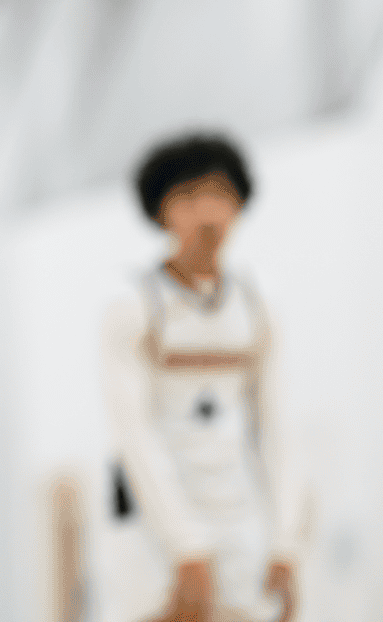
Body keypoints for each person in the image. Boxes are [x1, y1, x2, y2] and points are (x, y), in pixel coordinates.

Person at [101, 134, 297, 622]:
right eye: (188, 199)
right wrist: (184, 545)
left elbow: (276, 431)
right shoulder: (133, 308)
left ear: (240, 204)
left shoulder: (257, 309)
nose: (208, 214)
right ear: (159, 212)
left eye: (220, 195)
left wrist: (285, 540)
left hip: (237, 508)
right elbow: (133, 433)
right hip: (154, 520)